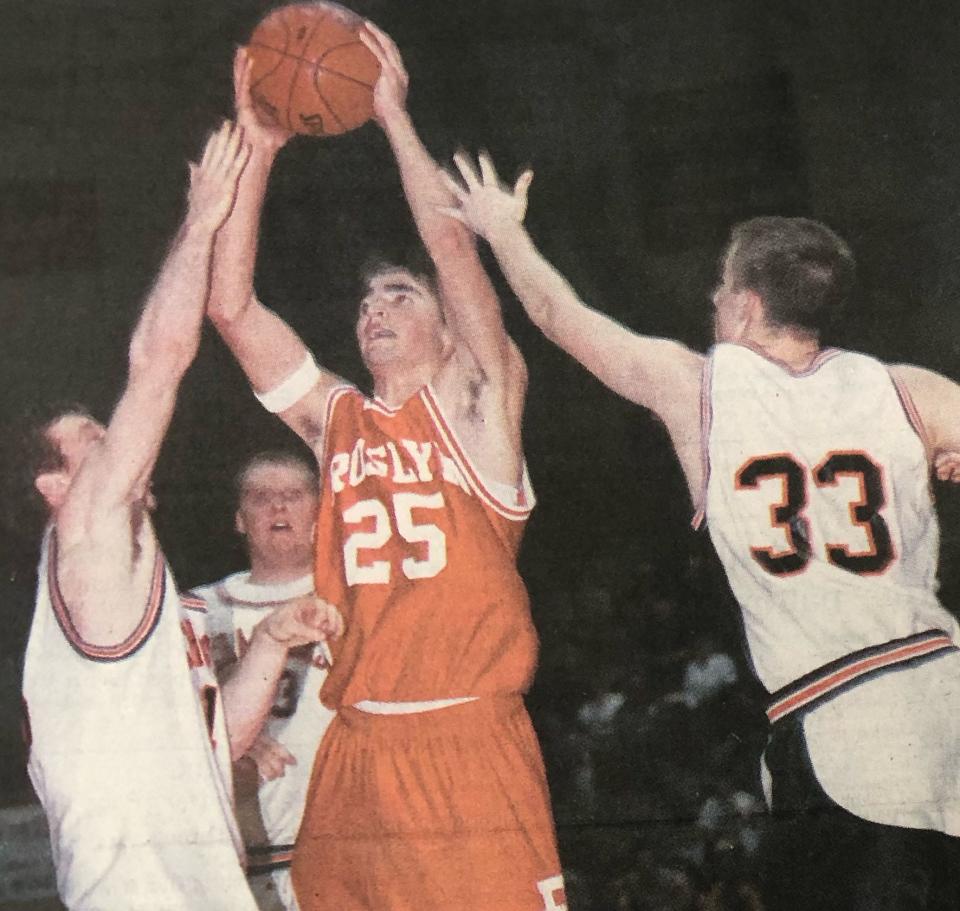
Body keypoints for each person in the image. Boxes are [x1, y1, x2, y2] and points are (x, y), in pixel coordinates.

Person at [441, 156, 960, 909]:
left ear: (746, 307)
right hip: (944, 689)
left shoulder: (700, 388)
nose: (711, 302)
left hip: (839, 721)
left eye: (719, 289)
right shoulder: (910, 388)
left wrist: (501, 231)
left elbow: (558, 315)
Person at [206, 24, 566, 911]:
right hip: (357, 750)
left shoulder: (483, 408)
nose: (374, 307)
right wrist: (256, 151)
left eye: (397, 295)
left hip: (465, 745)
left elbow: (453, 248)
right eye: (366, 299)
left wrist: (392, 116)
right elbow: (232, 307)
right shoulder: (338, 423)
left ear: (447, 329)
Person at [21, 123, 343, 911]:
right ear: (53, 488)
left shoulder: (134, 578)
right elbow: (157, 363)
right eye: (92, 443)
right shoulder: (85, 541)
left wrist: (268, 641)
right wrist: (202, 218)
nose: (117, 446)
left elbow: (214, 749)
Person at [196, 450, 335, 911]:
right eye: (261, 498)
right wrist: (227, 732)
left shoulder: (360, 598)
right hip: (244, 861)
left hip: (344, 848)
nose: (278, 508)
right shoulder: (199, 610)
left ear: (321, 511)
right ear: (239, 519)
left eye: (293, 495)